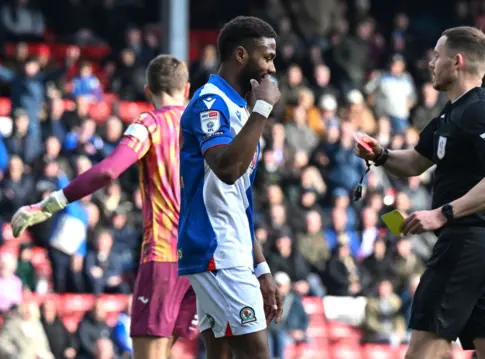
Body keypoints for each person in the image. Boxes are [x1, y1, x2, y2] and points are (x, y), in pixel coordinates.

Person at [10, 54, 204, 359]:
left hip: (164, 257)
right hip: (201, 263)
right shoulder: (205, 130)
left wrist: (50, 204)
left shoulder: (150, 123)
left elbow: (108, 170)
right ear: (188, 88)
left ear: (147, 89)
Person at [354, 26, 485, 359]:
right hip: (480, 248)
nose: (430, 63)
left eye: (437, 55)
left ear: (456, 62)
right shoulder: (450, 113)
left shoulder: (480, 110)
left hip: (466, 244)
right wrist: (381, 155)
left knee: (424, 352)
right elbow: (415, 162)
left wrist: (441, 213)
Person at [177, 16, 282, 359]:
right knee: (256, 353)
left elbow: (238, 202)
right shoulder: (210, 102)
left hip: (231, 249)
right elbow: (226, 169)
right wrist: (263, 109)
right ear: (241, 55)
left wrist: (262, 267)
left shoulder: (240, 111)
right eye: (267, 57)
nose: (272, 67)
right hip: (215, 250)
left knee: (219, 355)